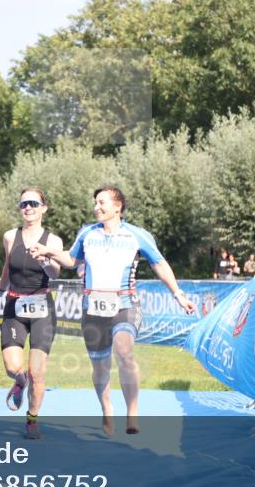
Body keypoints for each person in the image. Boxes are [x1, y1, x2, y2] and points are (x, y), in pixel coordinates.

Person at [29, 186, 195, 435]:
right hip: (92, 309)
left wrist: (178, 295)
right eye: (95, 202)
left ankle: (132, 413)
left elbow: (159, 264)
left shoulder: (137, 235)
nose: (96, 207)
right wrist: (48, 251)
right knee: (100, 366)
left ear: (118, 206)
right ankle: (107, 410)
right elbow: (73, 260)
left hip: (125, 305)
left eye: (102, 202)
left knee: (124, 351)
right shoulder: (87, 233)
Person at [0, 188, 63, 439]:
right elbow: (8, 267)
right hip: (14, 306)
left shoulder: (53, 241)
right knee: (12, 367)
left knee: (37, 372)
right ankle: (19, 382)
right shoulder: (11, 236)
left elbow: (55, 274)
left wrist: (43, 258)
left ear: (43, 208)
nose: (28, 208)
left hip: (42, 308)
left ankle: (31, 420)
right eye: (23, 204)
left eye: (33, 203)